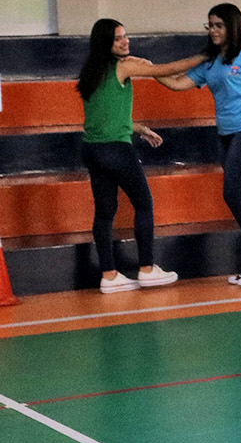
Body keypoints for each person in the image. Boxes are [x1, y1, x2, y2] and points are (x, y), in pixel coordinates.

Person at [75, 19, 204, 293]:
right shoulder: (122, 66)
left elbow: (105, 117)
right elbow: (166, 71)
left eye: (125, 36)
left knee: (104, 213)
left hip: (92, 149)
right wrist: (205, 56)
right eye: (118, 38)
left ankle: (109, 275)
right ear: (105, 43)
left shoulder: (91, 72)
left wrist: (141, 129)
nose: (125, 41)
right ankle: (146, 268)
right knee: (144, 204)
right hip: (115, 150)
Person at [157, 3, 241, 287]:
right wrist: (147, 69)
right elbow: (177, 83)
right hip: (226, 134)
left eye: (219, 25)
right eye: (210, 25)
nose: (213, 30)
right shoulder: (211, 62)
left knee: (233, 194)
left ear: (232, 26)